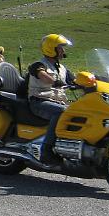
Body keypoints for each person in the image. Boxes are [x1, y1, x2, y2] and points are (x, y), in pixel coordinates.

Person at [27, 34, 75, 166]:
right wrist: (54, 81)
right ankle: (46, 150)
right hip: (39, 101)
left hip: (56, 101)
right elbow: (41, 74)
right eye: (60, 48)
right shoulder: (39, 64)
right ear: (51, 49)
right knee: (61, 112)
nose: (63, 51)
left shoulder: (63, 69)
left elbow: (75, 80)